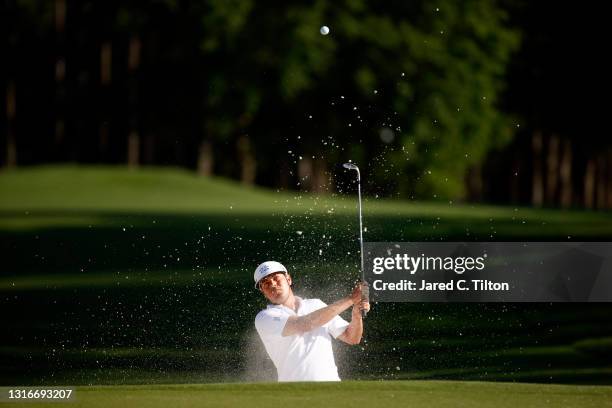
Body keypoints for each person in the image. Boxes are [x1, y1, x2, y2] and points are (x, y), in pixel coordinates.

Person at [254, 260, 370, 382]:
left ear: (288, 279)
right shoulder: (264, 318)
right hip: (293, 393)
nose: (272, 284)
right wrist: (351, 299)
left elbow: (352, 337)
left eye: (276, 278)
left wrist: (356, 314)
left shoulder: (316, 305)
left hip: (332, 387)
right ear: (263, 292)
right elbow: (304, 324)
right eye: (265, 283)